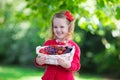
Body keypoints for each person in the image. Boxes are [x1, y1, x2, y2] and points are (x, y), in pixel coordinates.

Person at [34, 10, 81, 80]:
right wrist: (38, 61)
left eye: (62, 27)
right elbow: (44, 61)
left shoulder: (73, 47)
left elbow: (76, 66)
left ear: (69, 27)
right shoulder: (48, 44)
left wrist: (68, 65)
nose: (58, 30)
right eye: (55, 27)